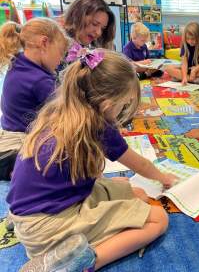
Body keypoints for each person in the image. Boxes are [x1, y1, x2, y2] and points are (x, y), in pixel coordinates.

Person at [7, 50, 177, 271]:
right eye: (123, 104)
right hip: (47, 228)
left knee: (133, 191)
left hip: (29, 214)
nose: (122, 111)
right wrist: (165, 178)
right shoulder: (99, 126)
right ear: (107, 104)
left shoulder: (60, 110)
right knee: (158, 219)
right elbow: (141, 165)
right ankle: (83, 261)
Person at [0, 18, 69, 180]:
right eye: (60, 53)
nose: (61, 60)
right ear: (44, 43)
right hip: (16, 149)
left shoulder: (19, 61)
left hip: (6, 140)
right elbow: (69, 111)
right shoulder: (39, 80)